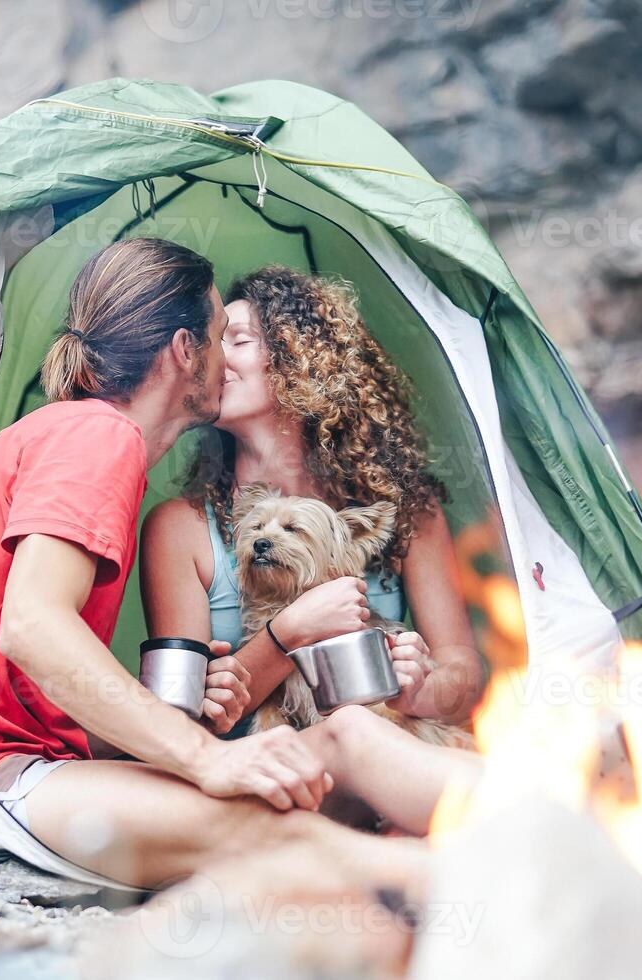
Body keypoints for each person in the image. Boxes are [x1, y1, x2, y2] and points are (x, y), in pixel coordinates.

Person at [0, 241, 477, 892]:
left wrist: (181, 711)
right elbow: (30, 625)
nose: (226, 357)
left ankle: (556, 818)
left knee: (348, 735)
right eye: (222, 336)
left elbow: (32, 675)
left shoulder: (92, 439)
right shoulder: (97, 437)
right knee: (288, 829)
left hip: (39, 762)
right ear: (186, 352)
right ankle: (549, 851)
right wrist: (204, 754)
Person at [141, 265, 485, 827]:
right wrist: (291, 631)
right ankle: (552, 822)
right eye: (212, 339)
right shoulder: (180, 528)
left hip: (395, 760)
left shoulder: (405, 510)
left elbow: (462, 677)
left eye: (240, 339)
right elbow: (182, 725)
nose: (215, 355)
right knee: (353, 730)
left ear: (302, 359)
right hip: (266, 778)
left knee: (393, 775)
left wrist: (420, 690)